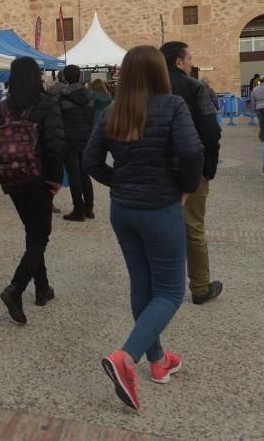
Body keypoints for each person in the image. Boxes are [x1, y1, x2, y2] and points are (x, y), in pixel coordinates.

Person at [83, 45, 204, 412]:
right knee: (169, 292)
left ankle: (159, 361)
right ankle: (127, 357)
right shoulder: (172, 106)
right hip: (160, 208)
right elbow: (192, 153)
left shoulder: (111, 111)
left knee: (142, 285)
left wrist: (117, 181)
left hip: (124, 210)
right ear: (160, 72)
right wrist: (184, 188)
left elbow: (90, 160)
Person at [0, 57, 64, 325]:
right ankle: (16, 288)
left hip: (14, 181)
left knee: (33, 232)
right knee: (39, 236)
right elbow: (55, 146)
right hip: (39, 179)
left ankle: (42, 288)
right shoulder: (46, 104)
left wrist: (3, 177)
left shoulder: (1, 109)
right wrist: (55, 179)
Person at [160, 41, 223, 305]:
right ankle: (199, 287)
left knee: (159, 228)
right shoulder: (196, 88)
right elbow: (211, 130)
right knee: (193, 229)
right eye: (189, 59)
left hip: (157, 170)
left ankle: (161, 287)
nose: (191, 64)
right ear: (178, 62)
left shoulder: (148, 89)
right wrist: (208, 168)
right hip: (191, 168)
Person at [51, 64, 96, 221]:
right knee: (85, 174)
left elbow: (57, 119)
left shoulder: (61, 96)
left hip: (69, 140)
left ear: (65, 77)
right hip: (86, 138)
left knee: (74, 175)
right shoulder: (90, 96)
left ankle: (78, 209)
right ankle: (89, 208)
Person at [250, 77, 264, 142]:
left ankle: (261, 136)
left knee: (261, 123)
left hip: (259, 107)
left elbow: (252, 100)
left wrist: (254, 108)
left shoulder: (255, 88)